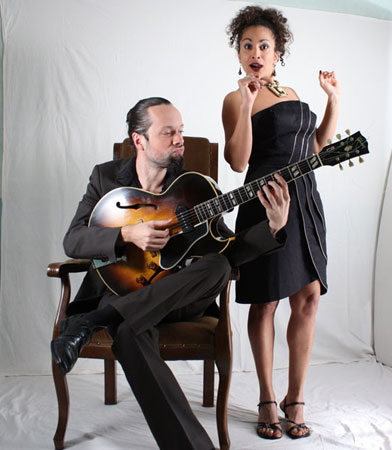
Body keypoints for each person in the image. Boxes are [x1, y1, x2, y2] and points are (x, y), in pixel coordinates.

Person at [50, 96, 290, 450]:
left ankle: (92, 321)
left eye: (181, 131)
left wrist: (272, 227)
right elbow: (73, 240)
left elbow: (229, 250)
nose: (180, 140)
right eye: (168, 133)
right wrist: (126, 234)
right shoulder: (106, 177)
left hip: (177, 299)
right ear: (139, 140)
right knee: (129, 332)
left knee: (218, 265)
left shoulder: (194, 186)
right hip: (122, 293)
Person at [222, 6, 341, 441]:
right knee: (266, 302)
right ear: (239, 53)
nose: (255, 53)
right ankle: (268, 399)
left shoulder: (292, 91)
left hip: (305, 201)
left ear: (278, 53)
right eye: (247, 46)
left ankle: (296, 398)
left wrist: (333, 100)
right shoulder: (234, 99)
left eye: (264, 46)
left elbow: (317, 148)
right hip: (265, 202)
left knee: (308, 298)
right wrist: (247, 102)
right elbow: (238, 162)